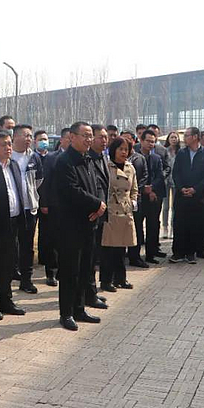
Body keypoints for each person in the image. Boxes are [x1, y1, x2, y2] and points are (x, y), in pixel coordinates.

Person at [55, 122, 106, 331]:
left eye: (90, 136)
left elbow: (98, 186)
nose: (88, 139)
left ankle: (79, 309)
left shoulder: (88, 159)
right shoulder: (64, 161)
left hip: (90, 223)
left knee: (85, 269)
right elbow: (71, 190)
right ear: (72, 137)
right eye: (84, 135)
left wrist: (100, 205)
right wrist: (96, 204)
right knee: (70, 271)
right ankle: (66, 313)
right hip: (71, 225)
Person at [0, 129, 27, 319]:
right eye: (3, 144)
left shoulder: (13, 165)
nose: (8, 147)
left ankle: (5, 300)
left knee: (8, 264)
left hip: (13, 222)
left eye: (9, 143)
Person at [169, 127, 204, 264]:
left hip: (197, 196)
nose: (184, 138)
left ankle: (191, 253)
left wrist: (195, 189)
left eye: (187, 135)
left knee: (195, 224)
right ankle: (178, 253)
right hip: (181, 195)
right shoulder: (182, 153)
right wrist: (181, 188)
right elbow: (176, 173)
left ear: (195, 137)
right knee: (179, 223)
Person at [99, 137, 138, 291]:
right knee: (108, 248)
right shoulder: (106, 166)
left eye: (126, 149)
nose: (123, 152)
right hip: (110, 211)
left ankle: (120, 279)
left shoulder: (130, 167)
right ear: (113, 150)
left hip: (125, 211)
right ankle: (106, 280)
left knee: (122, 247)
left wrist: (133, 202)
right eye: (120, 149)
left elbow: (134, 189)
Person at [10, 124, 44, 294]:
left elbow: (39, 180)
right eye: (25, 135)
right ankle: (5, 279)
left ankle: (26, 280)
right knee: (9, 246)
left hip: (29, 209)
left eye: (30, 136)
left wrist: (30, 196)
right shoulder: (8, 156)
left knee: (27, 246)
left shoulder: (34, 157)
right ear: (15, 136)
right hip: (11, 209)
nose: (29, 139)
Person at [38, 127, 70, 286]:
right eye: (69, 138)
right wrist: (44, 203)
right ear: (62, 140)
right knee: (52, 240)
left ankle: (64, 271)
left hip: (70, 207)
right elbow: (45, 182)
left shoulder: (79, 157)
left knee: (66, 241)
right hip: (53, 205)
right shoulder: (52, 158)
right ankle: (51, 272)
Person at [86, 124, 110, 308]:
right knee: (89, 258)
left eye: (106, 137)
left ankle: (91, 291)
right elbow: (94, 187)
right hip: (91, 213)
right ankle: (89, 294)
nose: (104, 140)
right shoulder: (87, 159)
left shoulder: (103, 157)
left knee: (95, 256)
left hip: (100, 213)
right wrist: (97, 205)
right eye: (100, 137)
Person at [120, 131, 149, 268]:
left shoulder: (139, 158)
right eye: (123, 138)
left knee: (136, 228)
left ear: (134, 141)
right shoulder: (115, 158)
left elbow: (144, 176)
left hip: (135, 199)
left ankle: (135, 256)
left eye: (129, 139)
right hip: (120, 200)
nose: (126, 141)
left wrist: (136, 191)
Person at [139, 129, 167, 262]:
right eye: (148, 141)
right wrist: (144, 189)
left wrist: (151, 189)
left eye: (153, 142)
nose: (151, 144)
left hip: (154, 196)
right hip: (139, 195)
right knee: (137, 226)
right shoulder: (134, 157)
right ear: (141, 140)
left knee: (153, 225)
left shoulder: (157, 158)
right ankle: (135, 255)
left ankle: (150, 254)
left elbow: (160, 176)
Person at [161, 131, 181, 239]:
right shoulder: (164, 151)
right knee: (165, 206)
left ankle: (173, 228)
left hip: (176, 181)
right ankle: (165, 227)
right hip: (165, 181)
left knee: (174, 206)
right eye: (172, 137)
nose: (173, 139)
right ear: (168, 139)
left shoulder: (181, 151)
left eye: (175, 137)